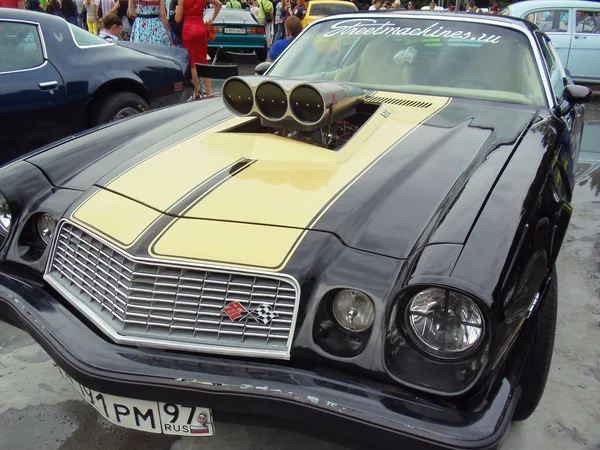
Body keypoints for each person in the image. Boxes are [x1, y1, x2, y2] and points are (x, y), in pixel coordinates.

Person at [176, 0, 221, 98]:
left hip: (188, 30)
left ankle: (196, 92)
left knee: (192, 64)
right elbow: (219, 4)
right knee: (203, 61)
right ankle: (209, 92)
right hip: (201, 29)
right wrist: (212, 19)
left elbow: (178, 19)